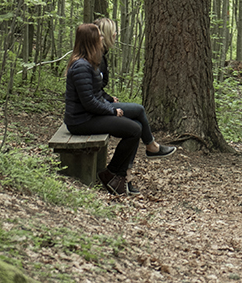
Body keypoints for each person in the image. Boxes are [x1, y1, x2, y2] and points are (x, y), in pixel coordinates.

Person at [63, 23, 176, 196]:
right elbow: (88, 102)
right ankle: (111, 174)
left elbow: (94, 94)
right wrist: (111, 110)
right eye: (99, 36)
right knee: (133, 129)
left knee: (136, 121)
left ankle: (119, 175)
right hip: (81, 121)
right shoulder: (81, 67)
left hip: (89, 115)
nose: (102, 38)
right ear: (90, 40)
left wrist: (108, 102)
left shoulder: (88, 63)